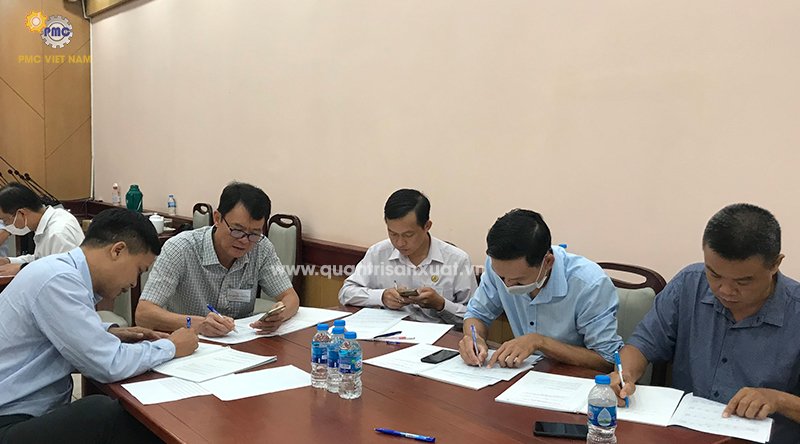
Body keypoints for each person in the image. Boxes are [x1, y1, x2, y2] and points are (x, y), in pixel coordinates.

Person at [0, 207, 198, 444]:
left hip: (22, 411)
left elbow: (63, 333)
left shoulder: (60, 271)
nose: (133, 283)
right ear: (117, 250)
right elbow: (107, 364)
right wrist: (172, 346)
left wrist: (110, 333)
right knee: (103, 413)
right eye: (138, 270)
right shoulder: (59, 280)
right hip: (9, 418)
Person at [613, 204, 800, 443]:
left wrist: (778, 400)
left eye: (743, 282)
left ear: (775, 264)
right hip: (683, 435)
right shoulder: (689, 284)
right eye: (714, 274)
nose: (725, 290)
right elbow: (641, 345)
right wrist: (625, 374)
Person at [459, 209, 622, 372]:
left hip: (573, 376)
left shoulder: (590, 285)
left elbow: (607, 360)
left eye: (518, 280)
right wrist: (474, 338)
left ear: (548, 262)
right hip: (523, 372)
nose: (507, 284)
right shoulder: (499, 266)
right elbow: (477, 314)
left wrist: (540, 342)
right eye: (501, 277)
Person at [136, 182, 300, 337]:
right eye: (237, 230)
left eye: (254, 233)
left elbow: (291, 297)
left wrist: (279, 315)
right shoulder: (180, 248)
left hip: (240, 343)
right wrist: (198, 324)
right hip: (188, 343)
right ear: (217, 218)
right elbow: (143, 314)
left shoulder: (261, 248)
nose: (244, 240)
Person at [338, 189, 477, 325]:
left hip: (439, 336)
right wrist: (382, 297)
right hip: (389, 333)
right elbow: (346, 293)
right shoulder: (378, 253)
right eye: (393, 234)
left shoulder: (457, 260)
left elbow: (475, 316)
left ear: (427, 226)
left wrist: (441, 304)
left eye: (408, 235)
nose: (399, 243)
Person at [0, 183, 84, 276]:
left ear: (22, 213)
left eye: (5, 220)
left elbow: (64, 273)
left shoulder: (58, 233)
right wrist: (8, 261)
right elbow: (41, 259)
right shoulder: (49, 220)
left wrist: (22, 269)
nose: (6, 226)